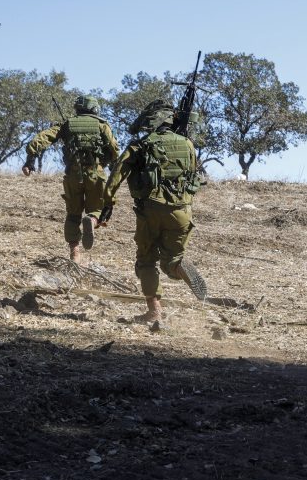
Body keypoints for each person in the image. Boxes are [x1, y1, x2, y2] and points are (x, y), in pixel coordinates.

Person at [100, 99, 207, 323]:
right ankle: (179, 266)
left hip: (150, 211)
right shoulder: (188, 144)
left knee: (146, 261)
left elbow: (116, 176)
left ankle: (154, 312)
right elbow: (196, 176)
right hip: (181, 212)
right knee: (171, 260)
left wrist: (108, 203)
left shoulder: (139, 145)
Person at [23, 95, 119, 262]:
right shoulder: (102, 125)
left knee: (73, 215)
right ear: (95, 109)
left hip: (73, 175)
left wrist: (30, 160)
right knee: (98, 209)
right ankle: (92, 219)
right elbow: (114, 150)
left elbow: (41, 139)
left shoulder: (67, 124)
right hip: (96, 174)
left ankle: (75, 253)